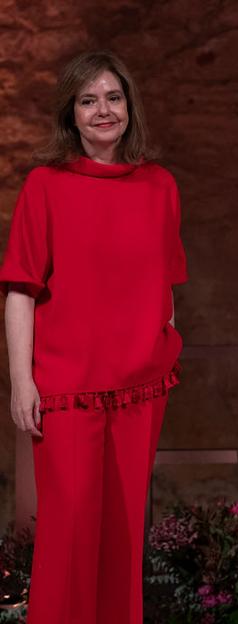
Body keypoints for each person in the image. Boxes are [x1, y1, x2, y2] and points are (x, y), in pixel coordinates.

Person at [0, 51, 187, 624]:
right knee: (69, 535)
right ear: (71, 115)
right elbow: (19, 292)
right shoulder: (45, 185)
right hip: (66, 390)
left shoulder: (159, 185)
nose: (103, 110)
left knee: (125, 537)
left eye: (112, 97)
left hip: (139, 389)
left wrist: (163, 346)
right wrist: (20, 383)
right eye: (88, 100)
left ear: (129, 106)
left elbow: (167, 285)